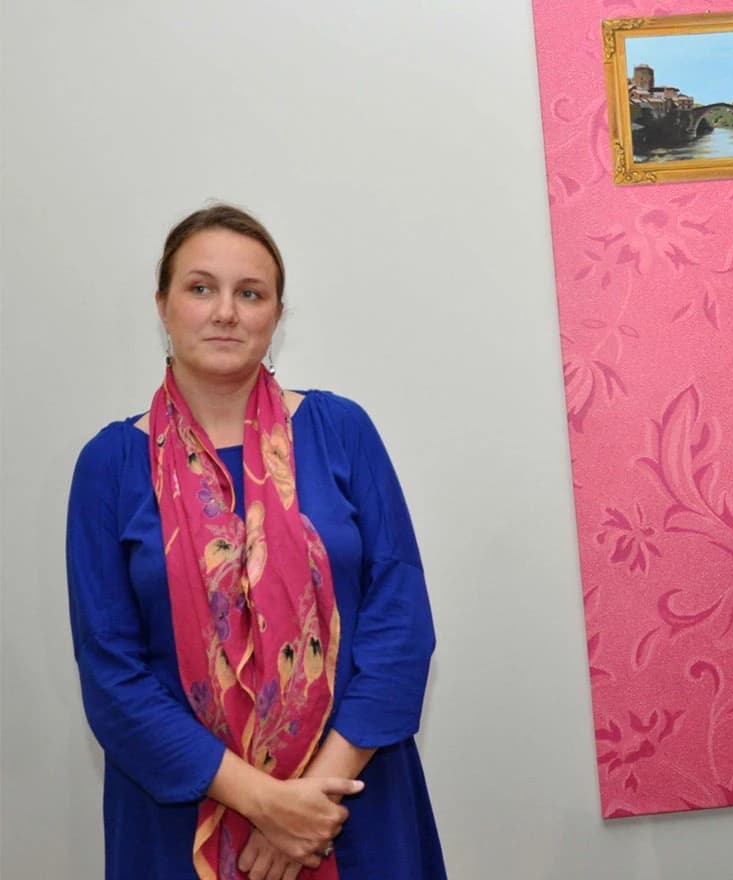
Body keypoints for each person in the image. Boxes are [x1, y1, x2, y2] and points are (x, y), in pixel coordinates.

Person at [66, 205, 447, 880]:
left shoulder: (340, 431)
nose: (225, 312)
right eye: (201, 288)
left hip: (350, 802)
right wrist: (268, 805)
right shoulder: (109, 465)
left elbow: (401, 623)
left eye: (250, 293)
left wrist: (312, 802)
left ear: (276, 315)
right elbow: (111, 675)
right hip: (180, 816)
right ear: (162, 305)